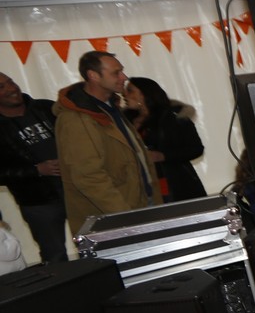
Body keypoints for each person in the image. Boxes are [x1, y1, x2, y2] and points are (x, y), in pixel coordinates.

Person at [54, 51, 158, 233]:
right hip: (115, 216)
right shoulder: (76, 119)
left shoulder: (110, 108)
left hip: (140, 203)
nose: (124, 77)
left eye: (122, 71)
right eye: (116, 73)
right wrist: (125, 215)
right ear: (93, 76)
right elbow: (88, 176)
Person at [0, 72, 67, 262]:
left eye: (11, 81)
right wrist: (36, 170)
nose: (11, 88)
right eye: (1, 87)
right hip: (38, 201)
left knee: (94, 243)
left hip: (76, 188)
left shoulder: (46, 107)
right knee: (54, 255)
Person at [122, 77, 207, 203]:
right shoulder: (124, 120)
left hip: (172, 184)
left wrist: (163, 156)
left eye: (130, 90)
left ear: (144, 93)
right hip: (139, 186)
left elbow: (196, 149)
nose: (124, 94)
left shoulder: (174, 116)